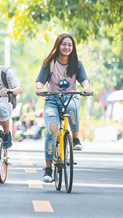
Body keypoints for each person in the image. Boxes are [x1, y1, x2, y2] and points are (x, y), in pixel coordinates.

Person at [35, 33, 92, 183]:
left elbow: (84, 81)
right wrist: (39, 88)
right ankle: (48, 168)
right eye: (64, 44)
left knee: (72, 108)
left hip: (70, 98)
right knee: (52, 129)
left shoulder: (77, 64)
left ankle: (76, 139)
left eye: (70, 45)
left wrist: (87, 88)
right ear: (58, 46)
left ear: (73, 48)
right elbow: (40, 81)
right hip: (52, 100)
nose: (67, 47)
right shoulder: (49, 63)